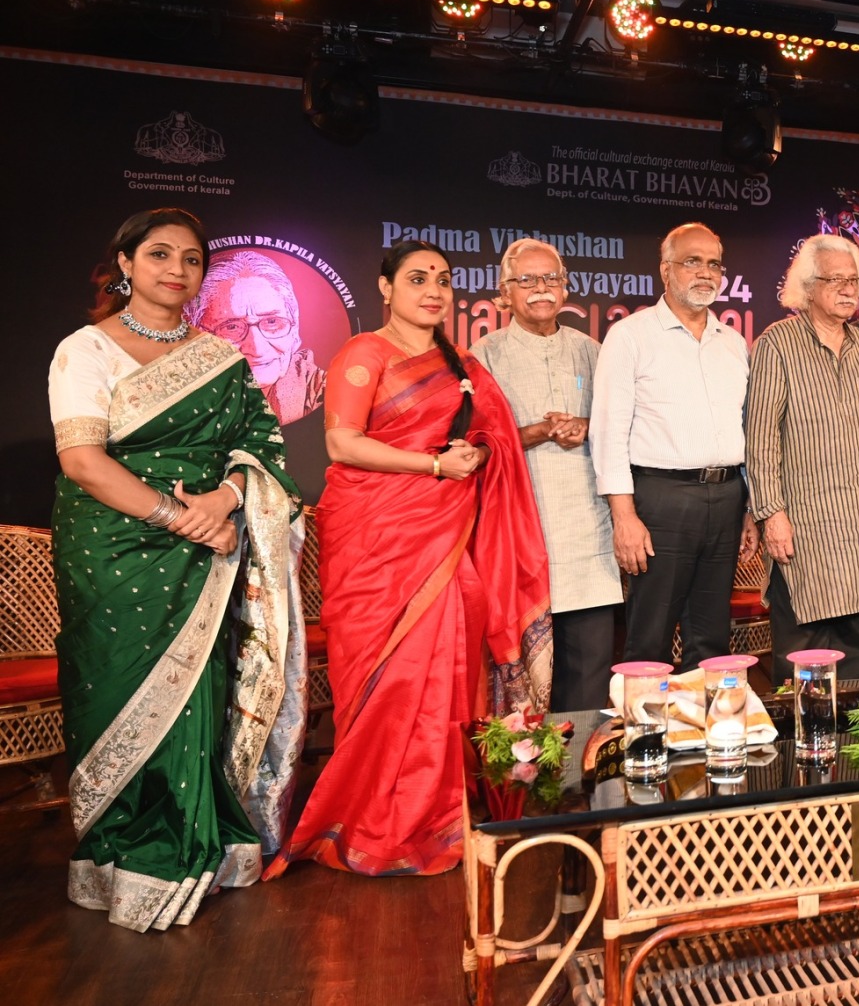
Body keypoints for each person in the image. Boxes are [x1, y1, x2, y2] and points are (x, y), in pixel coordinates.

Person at [49, 207, 304, 930]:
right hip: (114, 547)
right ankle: (122, 852)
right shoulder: (85, 350)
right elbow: (82, 461)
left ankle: (195, 842)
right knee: (115, 688)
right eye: (159, 254)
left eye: (191, 259)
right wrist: (177, 515)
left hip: (206, 547)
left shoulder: (222, 359)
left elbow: (264, 450)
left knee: (199, 696)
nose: (176, 270)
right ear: (124, 264)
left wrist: (223, 501)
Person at [267, 241, 550, 878]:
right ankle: (373, 821)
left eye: (443, 280)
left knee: (447, 663)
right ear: (385, 287)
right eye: (418, 278)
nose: (434, 290)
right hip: (374, 537)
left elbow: (487, 437)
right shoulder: (364, 353)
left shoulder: (461, 364)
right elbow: (343, 444)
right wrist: (433, 466)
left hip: (445, 534)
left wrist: (476, 454)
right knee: (385, 677)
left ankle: (436, 812)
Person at [594, 223, 757, 671]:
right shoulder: (630, 336)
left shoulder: (733, 343)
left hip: (727, 497)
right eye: (692, 262)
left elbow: (745, 429)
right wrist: (624, 517)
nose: (705, 273)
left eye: (713, 264)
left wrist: (748, 508)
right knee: (651, 636)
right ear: (665, 271)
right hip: (661, 501)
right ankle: (645, 720)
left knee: (712, 637)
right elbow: (608, 432)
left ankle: (707, 717)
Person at [474, 238, 623, 711]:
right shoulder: (484, 356)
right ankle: (529, 762)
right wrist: (537, 432)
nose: (541, 288)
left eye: (551, 278)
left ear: (565, 287)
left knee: (589, 681)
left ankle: (585, 759)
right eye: (526, 280)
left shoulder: (592, 351)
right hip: (521, 539)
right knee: (525, 691)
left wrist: (587, 425)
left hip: (589, 540)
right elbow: (475, 445)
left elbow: (621, 427)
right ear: (504, 292)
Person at [749, 235, 859, 680]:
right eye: (836, 280)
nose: (849, 290)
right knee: (803, 659)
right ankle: (804, 729)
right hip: (803, 527)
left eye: (855, 280)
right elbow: (760, 438)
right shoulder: (777, 343)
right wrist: (771, 515)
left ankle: (856, 727)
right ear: (807, 287)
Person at [186, 250, 326, 424]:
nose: (257, 349)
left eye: (272, 322)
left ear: (294, 330)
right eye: (231, 327)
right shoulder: (176, 401)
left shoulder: (326, 391)